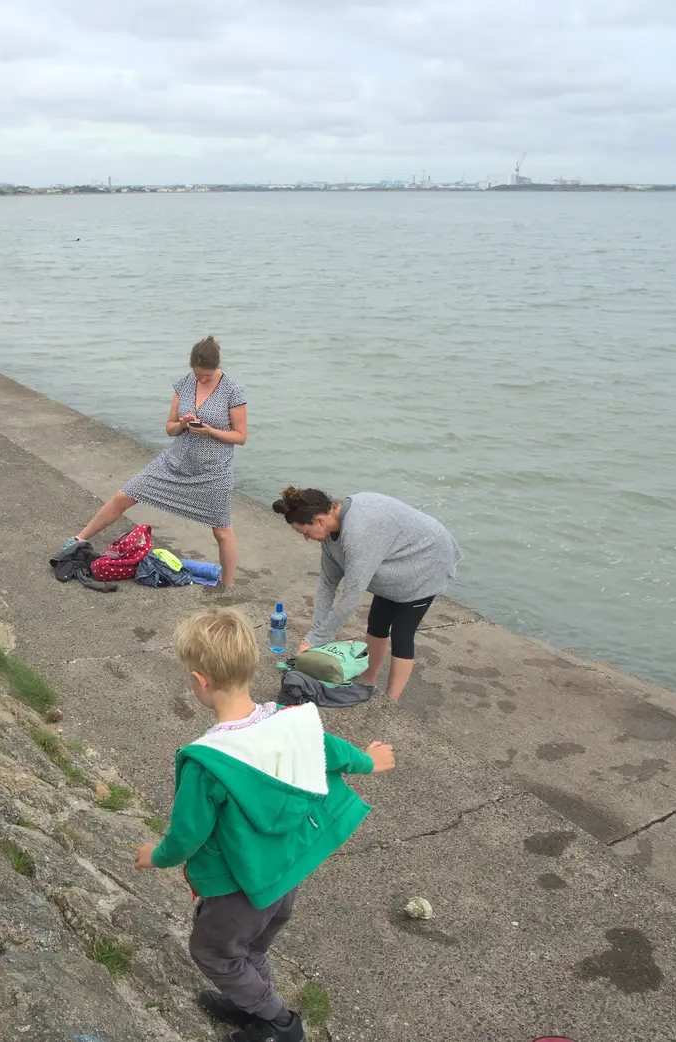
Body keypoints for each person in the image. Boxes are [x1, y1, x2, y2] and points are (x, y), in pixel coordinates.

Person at [135, 609, 394, 1042]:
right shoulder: (290, 720)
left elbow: (188, 834)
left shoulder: (208, 761)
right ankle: (250, 1002)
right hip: (286, 872)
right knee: (252, 945)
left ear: (200, 681)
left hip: (242, 883)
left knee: (214, 952)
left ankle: (279, 1023)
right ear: (252, 665)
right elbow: (331, 750)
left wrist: (156, 856)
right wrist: (370, 760)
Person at [60, 336, 247, 586]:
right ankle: (79, 539)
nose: (200, 380)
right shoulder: (185, 383)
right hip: (175, 460)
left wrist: (209, 430)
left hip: (213, 471)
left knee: (221, 530)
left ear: (218, 365)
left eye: (206, 376)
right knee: (124, 496)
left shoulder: (233, 390)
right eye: (197, 374)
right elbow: (169, 428)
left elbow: (240, 436)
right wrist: (182, 424)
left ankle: (227, 585)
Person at [272, 487, 460, 703]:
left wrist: (316, 640)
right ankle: (368, 684)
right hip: (393, 558)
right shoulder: (329, 536)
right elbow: (327, 585)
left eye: (305, 532)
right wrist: (313, 636)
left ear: (320, 520)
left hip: (428, 560)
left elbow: (352, 595)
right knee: (377, 624)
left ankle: (390, 702)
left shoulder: (358, 532)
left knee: (402, 633)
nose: (306, 538)